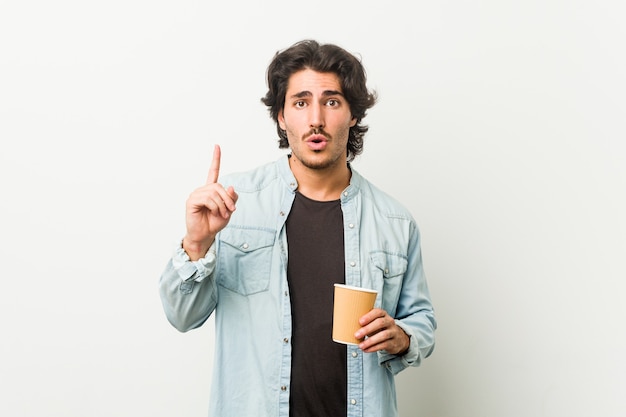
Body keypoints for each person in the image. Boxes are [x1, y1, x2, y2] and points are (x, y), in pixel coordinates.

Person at [159, 39, 437, 417]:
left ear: (353, 114)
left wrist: (402, 338)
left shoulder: (395, 223)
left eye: (332, 101)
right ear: (281, 115)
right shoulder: (232, 205)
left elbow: (421, 322)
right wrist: (196, 242)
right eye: (301, 102)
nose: (316, 119)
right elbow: (182, 316)